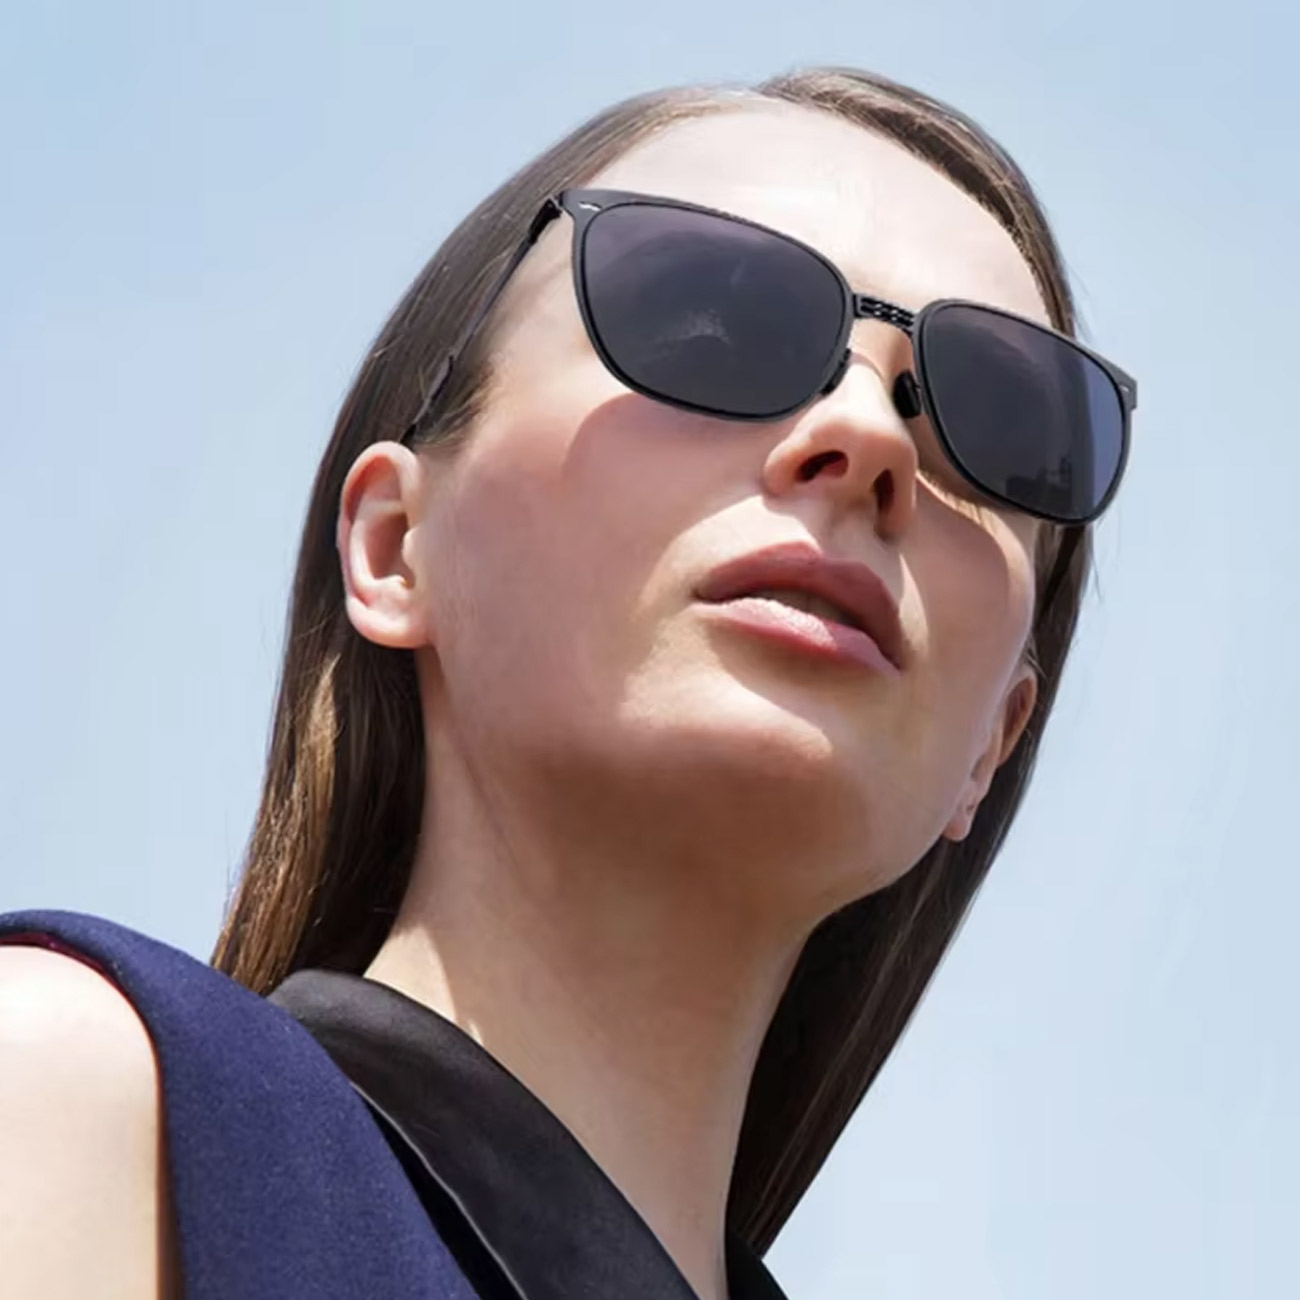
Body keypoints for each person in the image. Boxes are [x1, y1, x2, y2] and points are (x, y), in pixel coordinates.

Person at [0, 65, 1135, 1300]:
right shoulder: (82, 1105)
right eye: (704, 318)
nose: (868, 436)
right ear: (396, 547)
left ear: (992, 742)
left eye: (995, 421)